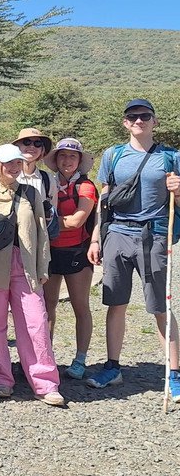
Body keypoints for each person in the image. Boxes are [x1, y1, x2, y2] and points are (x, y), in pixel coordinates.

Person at [87, 99, 180, 400]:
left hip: (154, 235)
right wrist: (96, 239)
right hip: (117, 233)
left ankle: (174, 373)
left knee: (160, 305)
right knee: (116, 303)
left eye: (145, 116)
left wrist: (178, 192)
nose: (139, 121)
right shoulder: (112, 156)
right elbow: (105, 202)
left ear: (154, 122)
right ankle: (113, 367)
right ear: (125, 123)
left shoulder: (171, 157)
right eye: (133, 117)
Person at [0, 144, 64, 405]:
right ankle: (1, 378)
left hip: (26, 267)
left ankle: (45, 383)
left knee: (35, 323)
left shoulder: (31, 194)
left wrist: (43, 266)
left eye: (17, 163)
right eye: (8, 163)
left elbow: (43, 232)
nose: (14, 167)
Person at [42, 138, 97, 380]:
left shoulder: (85, 187)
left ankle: (80, 359)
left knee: (80, 306)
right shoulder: (48, 183)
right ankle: (46, 357)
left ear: (79, 161)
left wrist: (44, 223)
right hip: (51, 252)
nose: (67, 160)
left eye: (72, 157)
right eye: (62, 156)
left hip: (77, 252)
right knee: (47, 307)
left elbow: (77, 220)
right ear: (55, 160)